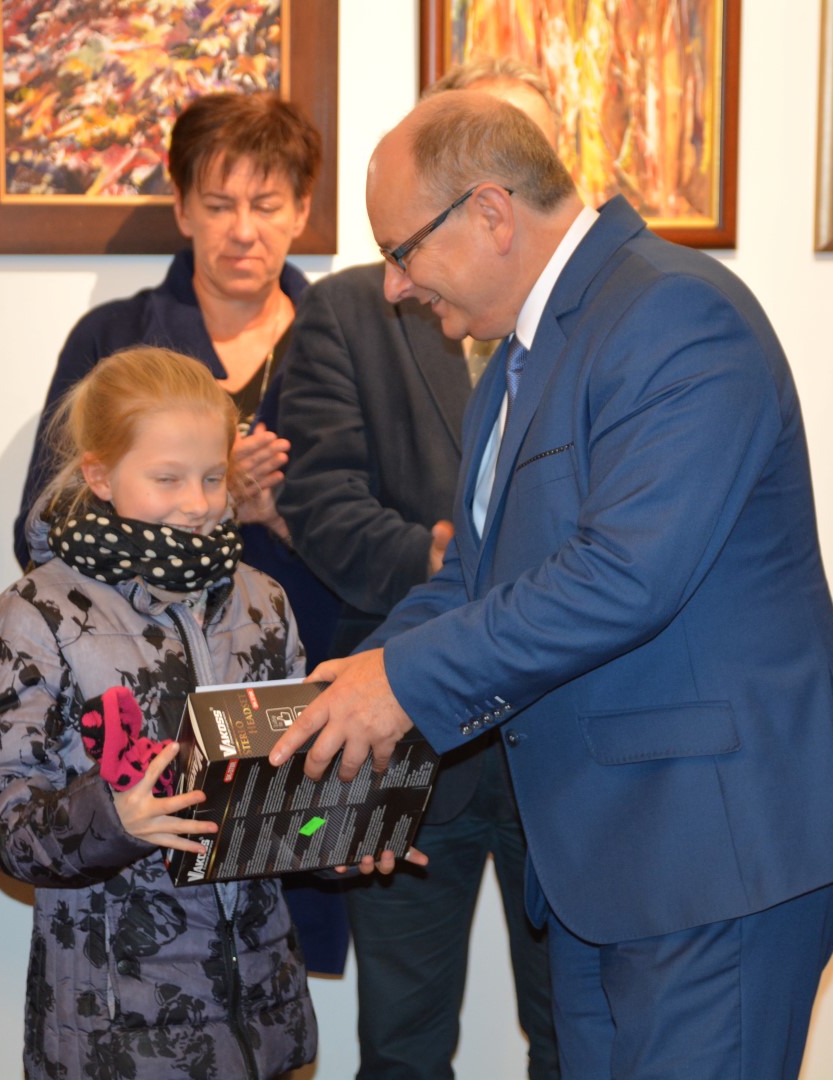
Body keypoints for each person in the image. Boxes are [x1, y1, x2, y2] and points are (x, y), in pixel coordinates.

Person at [270, 92, 833, 1079]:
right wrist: (353, 697)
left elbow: (625, 576)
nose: (393, 286)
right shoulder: (519, 359)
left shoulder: (676, 312)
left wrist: (398, 686)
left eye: (402, 251)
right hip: (602, 859)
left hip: (711, 849)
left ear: (491, 212)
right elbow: (475, 574)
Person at [11, 91, 348, 975]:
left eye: (266, 204)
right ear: (182, 205)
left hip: (296, 705)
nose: (243, 230)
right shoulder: (115, 337)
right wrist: (221, 500)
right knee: (145, 962)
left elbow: (381, 535)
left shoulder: (345, 334)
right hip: (135, 727)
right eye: (219, 202)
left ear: (302, 210)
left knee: (273, 959)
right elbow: (40, 528)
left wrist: (281, 517)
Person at [275, 58, 560, 1080]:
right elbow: (318, 499)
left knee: (574, 1035)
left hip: (558, 735)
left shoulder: (595, 325)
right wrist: (446, 559)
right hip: (405, 735)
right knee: (402, 1042)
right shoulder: (354, 309)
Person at [0, 345, 341, 1078]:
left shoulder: (264, 602)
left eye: (213, 477)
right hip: (115, 1026)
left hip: (264, 1012)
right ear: (100, 475)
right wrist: (115, 818)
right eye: (167, 478)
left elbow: (290, 790)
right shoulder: (36, 612)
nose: (198, 503)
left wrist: (343, 832)